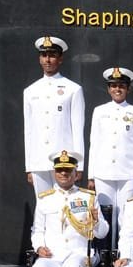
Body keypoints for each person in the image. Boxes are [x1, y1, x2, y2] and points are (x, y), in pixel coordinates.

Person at [30, 151, 109, 267]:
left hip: (79, 252)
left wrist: (97, 221)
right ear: (54, 172)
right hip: (53, 255)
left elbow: (102, 233)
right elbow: (37, 230)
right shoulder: (44, 198)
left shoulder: (88, 197)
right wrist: (39, 247)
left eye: (68, 170)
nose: (64, 173)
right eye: (60, 170)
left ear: (76, 173)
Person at [23, 36, 85, 197]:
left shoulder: (73, 89)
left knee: (66, 202)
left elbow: (78, 129)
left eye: (52, 55)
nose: (48, 60)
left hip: (64, 160)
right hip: (39, 160)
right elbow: (28, 131)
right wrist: (29, 166)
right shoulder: (30, 91)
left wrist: (79, 164)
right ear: (39, 59)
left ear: (60, 59)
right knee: (43, 205)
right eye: (44, 55)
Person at [87, 66, 133, 230]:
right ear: (108, 89)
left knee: (126, 217)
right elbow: (94, 144)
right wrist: (91, 175)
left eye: (121, 86)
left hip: (129, 173)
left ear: (128, 89)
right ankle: (106, 247)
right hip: (103, 173)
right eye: (113, 86)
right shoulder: (99, 111)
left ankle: (124, 247)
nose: (117, 89)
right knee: (105, 216)